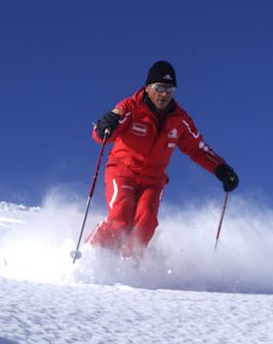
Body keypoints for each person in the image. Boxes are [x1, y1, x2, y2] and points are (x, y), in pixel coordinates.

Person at [86, 60, 238, 256]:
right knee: (121, 216)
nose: (165, 94)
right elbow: (102, 136)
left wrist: (222, 169)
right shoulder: (131, 108)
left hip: (153, 181)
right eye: (159, 88)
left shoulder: (180, 120)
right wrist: (103, 126)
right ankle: (89, 255)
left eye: (170, 89)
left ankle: (128, 266)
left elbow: (198, 149)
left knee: (146, 223)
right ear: (148, 87)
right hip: (123, 171)